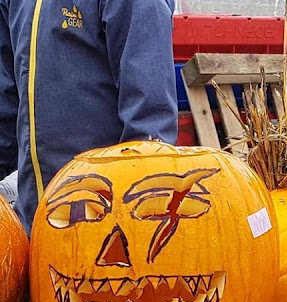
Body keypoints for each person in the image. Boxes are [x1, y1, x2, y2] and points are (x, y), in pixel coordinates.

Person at [0, 0, 178, 234]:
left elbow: (149, 116)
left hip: (105, 226)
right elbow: (5, 100)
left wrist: (139, 218)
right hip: (33, 222)